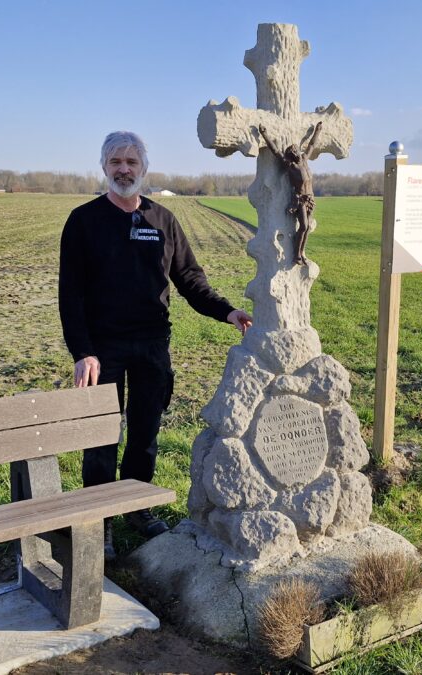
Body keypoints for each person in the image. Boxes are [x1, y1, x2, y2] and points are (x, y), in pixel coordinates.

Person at [58, 130, 252, 559]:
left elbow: (190, 280)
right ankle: (99, 520)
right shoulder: (83, 221)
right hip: (102, 350)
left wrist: (228, 312)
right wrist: (82, 352)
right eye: (115, 162)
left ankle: (136, 508)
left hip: (151, 346)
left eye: (131, 162)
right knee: (101, 438)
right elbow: (69, 295)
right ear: (104, 168)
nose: (123, 169)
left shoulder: (162, 220)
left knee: (145, 434)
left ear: (144, 167)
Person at [257, 121, 323, 265]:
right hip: (300, 200)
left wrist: (317, 131)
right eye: (294, 152)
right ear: (292, 156)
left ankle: (302, 253)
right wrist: (264, 134)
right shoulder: (290, 166)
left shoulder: (305, 160)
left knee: (308, 228)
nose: (297, 153)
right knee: (304, 226)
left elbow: (311, 145)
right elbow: (275, 151)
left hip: (311, 198)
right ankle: (296, 255)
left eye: (297, 151)